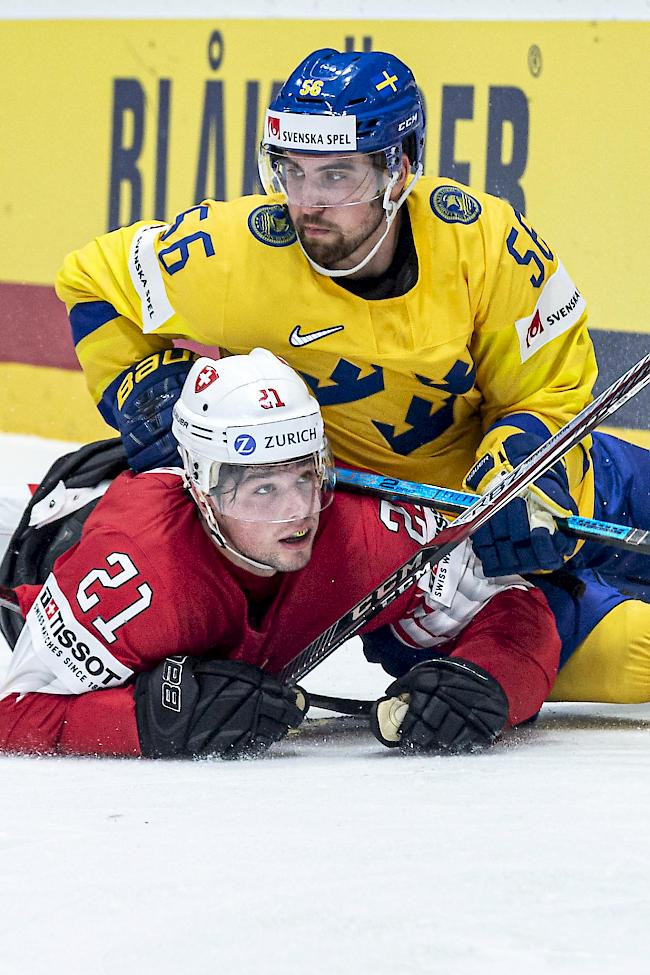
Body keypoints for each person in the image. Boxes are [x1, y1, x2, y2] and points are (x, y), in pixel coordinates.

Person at [54, 48, 650, 697]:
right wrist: (150, 391)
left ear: (400, 169)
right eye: (291, 171)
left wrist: (528, 473)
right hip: (416, 568)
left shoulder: (485, 243)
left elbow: (550, 388)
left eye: (337, 175)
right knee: (635, 656)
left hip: (548, 487)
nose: (307, 203)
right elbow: (92, 280)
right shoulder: (234, 254)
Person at [0, 351, 560, 759]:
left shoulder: (364, 534)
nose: (298, 512)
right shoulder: (134, 572)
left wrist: (488, 681)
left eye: (305, 475)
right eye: (262, 488)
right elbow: (16, 711)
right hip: (61, 538)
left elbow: (511, 605)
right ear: (200, 488)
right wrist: (155, 719)